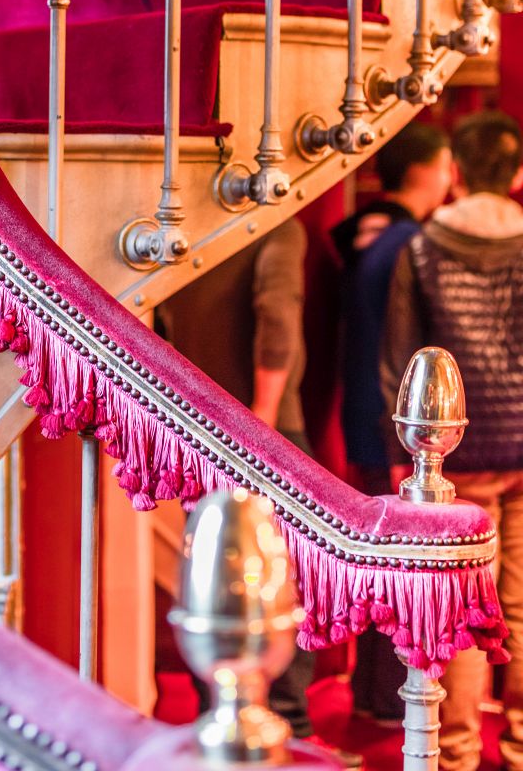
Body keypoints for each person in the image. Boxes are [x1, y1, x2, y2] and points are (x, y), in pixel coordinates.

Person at [161, 219, 363, 768]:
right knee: (283, 583)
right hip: (268, 427)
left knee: (212, 576)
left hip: (200, 424)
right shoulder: (275, 226)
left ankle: (218, 717)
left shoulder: (182, 227)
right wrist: (263, 425)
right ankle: (292, 730)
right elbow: (277, 318)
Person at [382, 110, 523, 771]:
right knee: (521, 600)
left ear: (458, 173)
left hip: (453, 452)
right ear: (517, 172)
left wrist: (398, 455)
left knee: (467, 604)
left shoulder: (422, 247)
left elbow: (402, 359)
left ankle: (458, 755)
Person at [332, 124, 453, 726]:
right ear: (426, 170)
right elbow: (397, 350)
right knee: (402, 562)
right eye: (445, 163)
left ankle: (373, 692)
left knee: (387, 558)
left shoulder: (375, 233)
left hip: (366, 414)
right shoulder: (406, 240)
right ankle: (384, 696)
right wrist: (405, 438)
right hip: (390, 425)